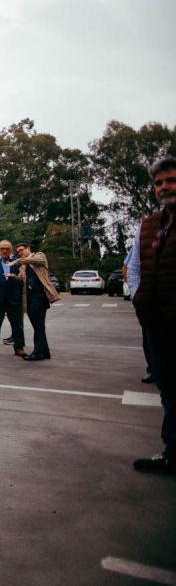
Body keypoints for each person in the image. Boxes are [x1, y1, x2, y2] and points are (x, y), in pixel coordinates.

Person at [130, 156, 176, 474]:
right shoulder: (148, 225)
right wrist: (138, 297)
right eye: (159, 183)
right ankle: (172, 451)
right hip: (157, 323)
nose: (164, 187)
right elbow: (134, 266)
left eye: (171, 180)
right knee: (169, 389)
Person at [9, 242, 58, 361]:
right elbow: (22, 279)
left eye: (21, 250)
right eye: (18, 251)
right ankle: (44, 352)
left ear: (29, 248)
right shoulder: (23, 265)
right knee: (38, 326)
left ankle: (38, 353)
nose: (20, 253)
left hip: (40, 297)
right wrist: (12, 276)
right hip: (29, 298)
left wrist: (17, 261)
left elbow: (36, 261)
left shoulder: (40, 256)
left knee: (38, 326)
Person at [0, 239, 26, 357]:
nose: (4, 250)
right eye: (2, 248)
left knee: (17, 325)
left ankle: (19, 347)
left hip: (14, 299)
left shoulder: (18, 262)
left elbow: (23, 278)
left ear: (11, 250)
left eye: (7, 248)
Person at [125, 238, 155, 384]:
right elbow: (130, 267)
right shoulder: (144, 232)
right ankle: (153, 369)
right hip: (151, 301)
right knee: (150, 339)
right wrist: (137, 297)